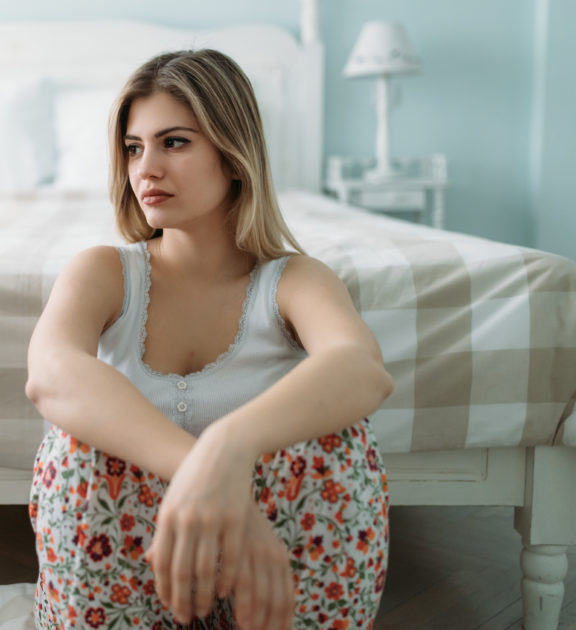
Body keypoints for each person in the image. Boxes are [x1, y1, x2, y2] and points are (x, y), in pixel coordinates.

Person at [26, 49, 392, 630]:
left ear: (234, 156)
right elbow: (50, 372)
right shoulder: (104, 272)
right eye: (132, 147)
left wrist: (231, 448)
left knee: (338, 438)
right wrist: (198, 469)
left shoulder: (295, 280)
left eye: (174, 142)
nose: (145, 168)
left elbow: (363, 368)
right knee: (79, 446)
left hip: (266, 566)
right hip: (130, 568)